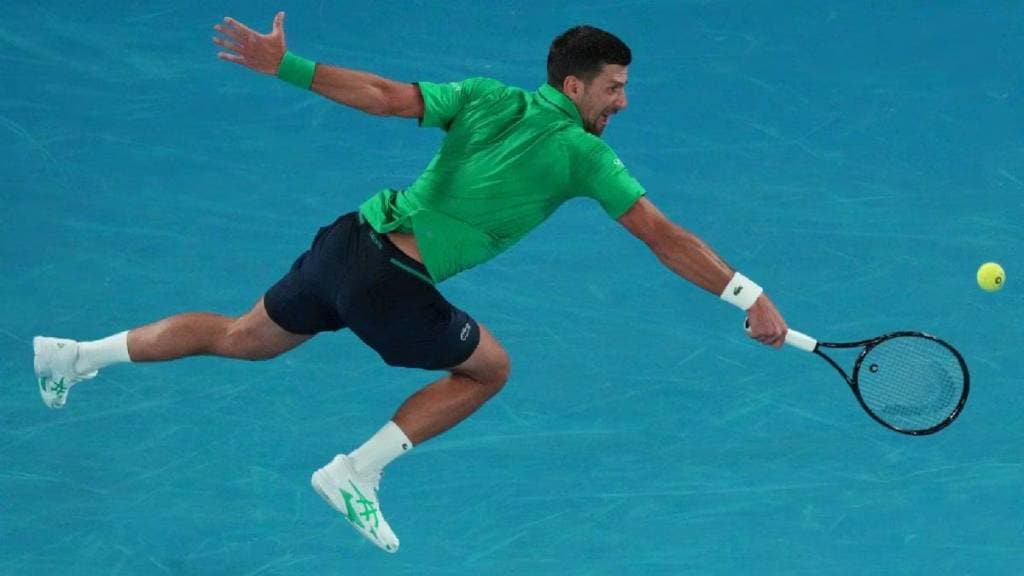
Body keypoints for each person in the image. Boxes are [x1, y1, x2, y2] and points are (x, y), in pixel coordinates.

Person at [33, 12, 789, 553]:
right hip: (392, 282)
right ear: (575, 84)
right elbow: (663, 235)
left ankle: (75, 354)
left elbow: (384, 95)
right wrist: (748, 296)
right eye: (614, 88)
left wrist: (287, 66)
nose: (622, 102)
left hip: (348, 241)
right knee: (489, 369)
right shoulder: (585, 156)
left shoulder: (488, 95)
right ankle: (354, 473)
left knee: (241, 337)